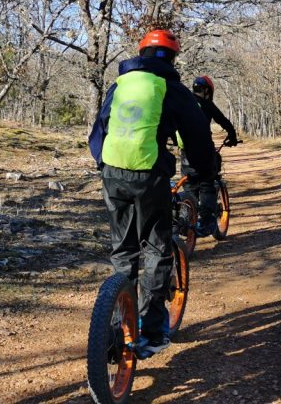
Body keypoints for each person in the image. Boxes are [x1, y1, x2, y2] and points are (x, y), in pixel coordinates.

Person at [88, 29, 216, 357]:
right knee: (156, 247)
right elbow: (198, 136)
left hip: (112, 174)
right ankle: (154, 330)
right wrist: (205, 169)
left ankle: (117, 319)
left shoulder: (121, 85)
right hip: (149, 176)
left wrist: (105, 165)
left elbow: (98, 131)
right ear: (172, 58)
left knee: (123, 249)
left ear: (140, 53)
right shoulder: (171, 89)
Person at [185, 75, 239, 237]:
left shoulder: (184, 101)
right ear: (207, 91)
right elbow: (223, 120)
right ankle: (207, 221)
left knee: (189, 184)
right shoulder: (206, 104)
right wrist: (232, 135)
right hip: (204, 149)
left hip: (185, 151)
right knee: (207, 182)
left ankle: (186, 219)